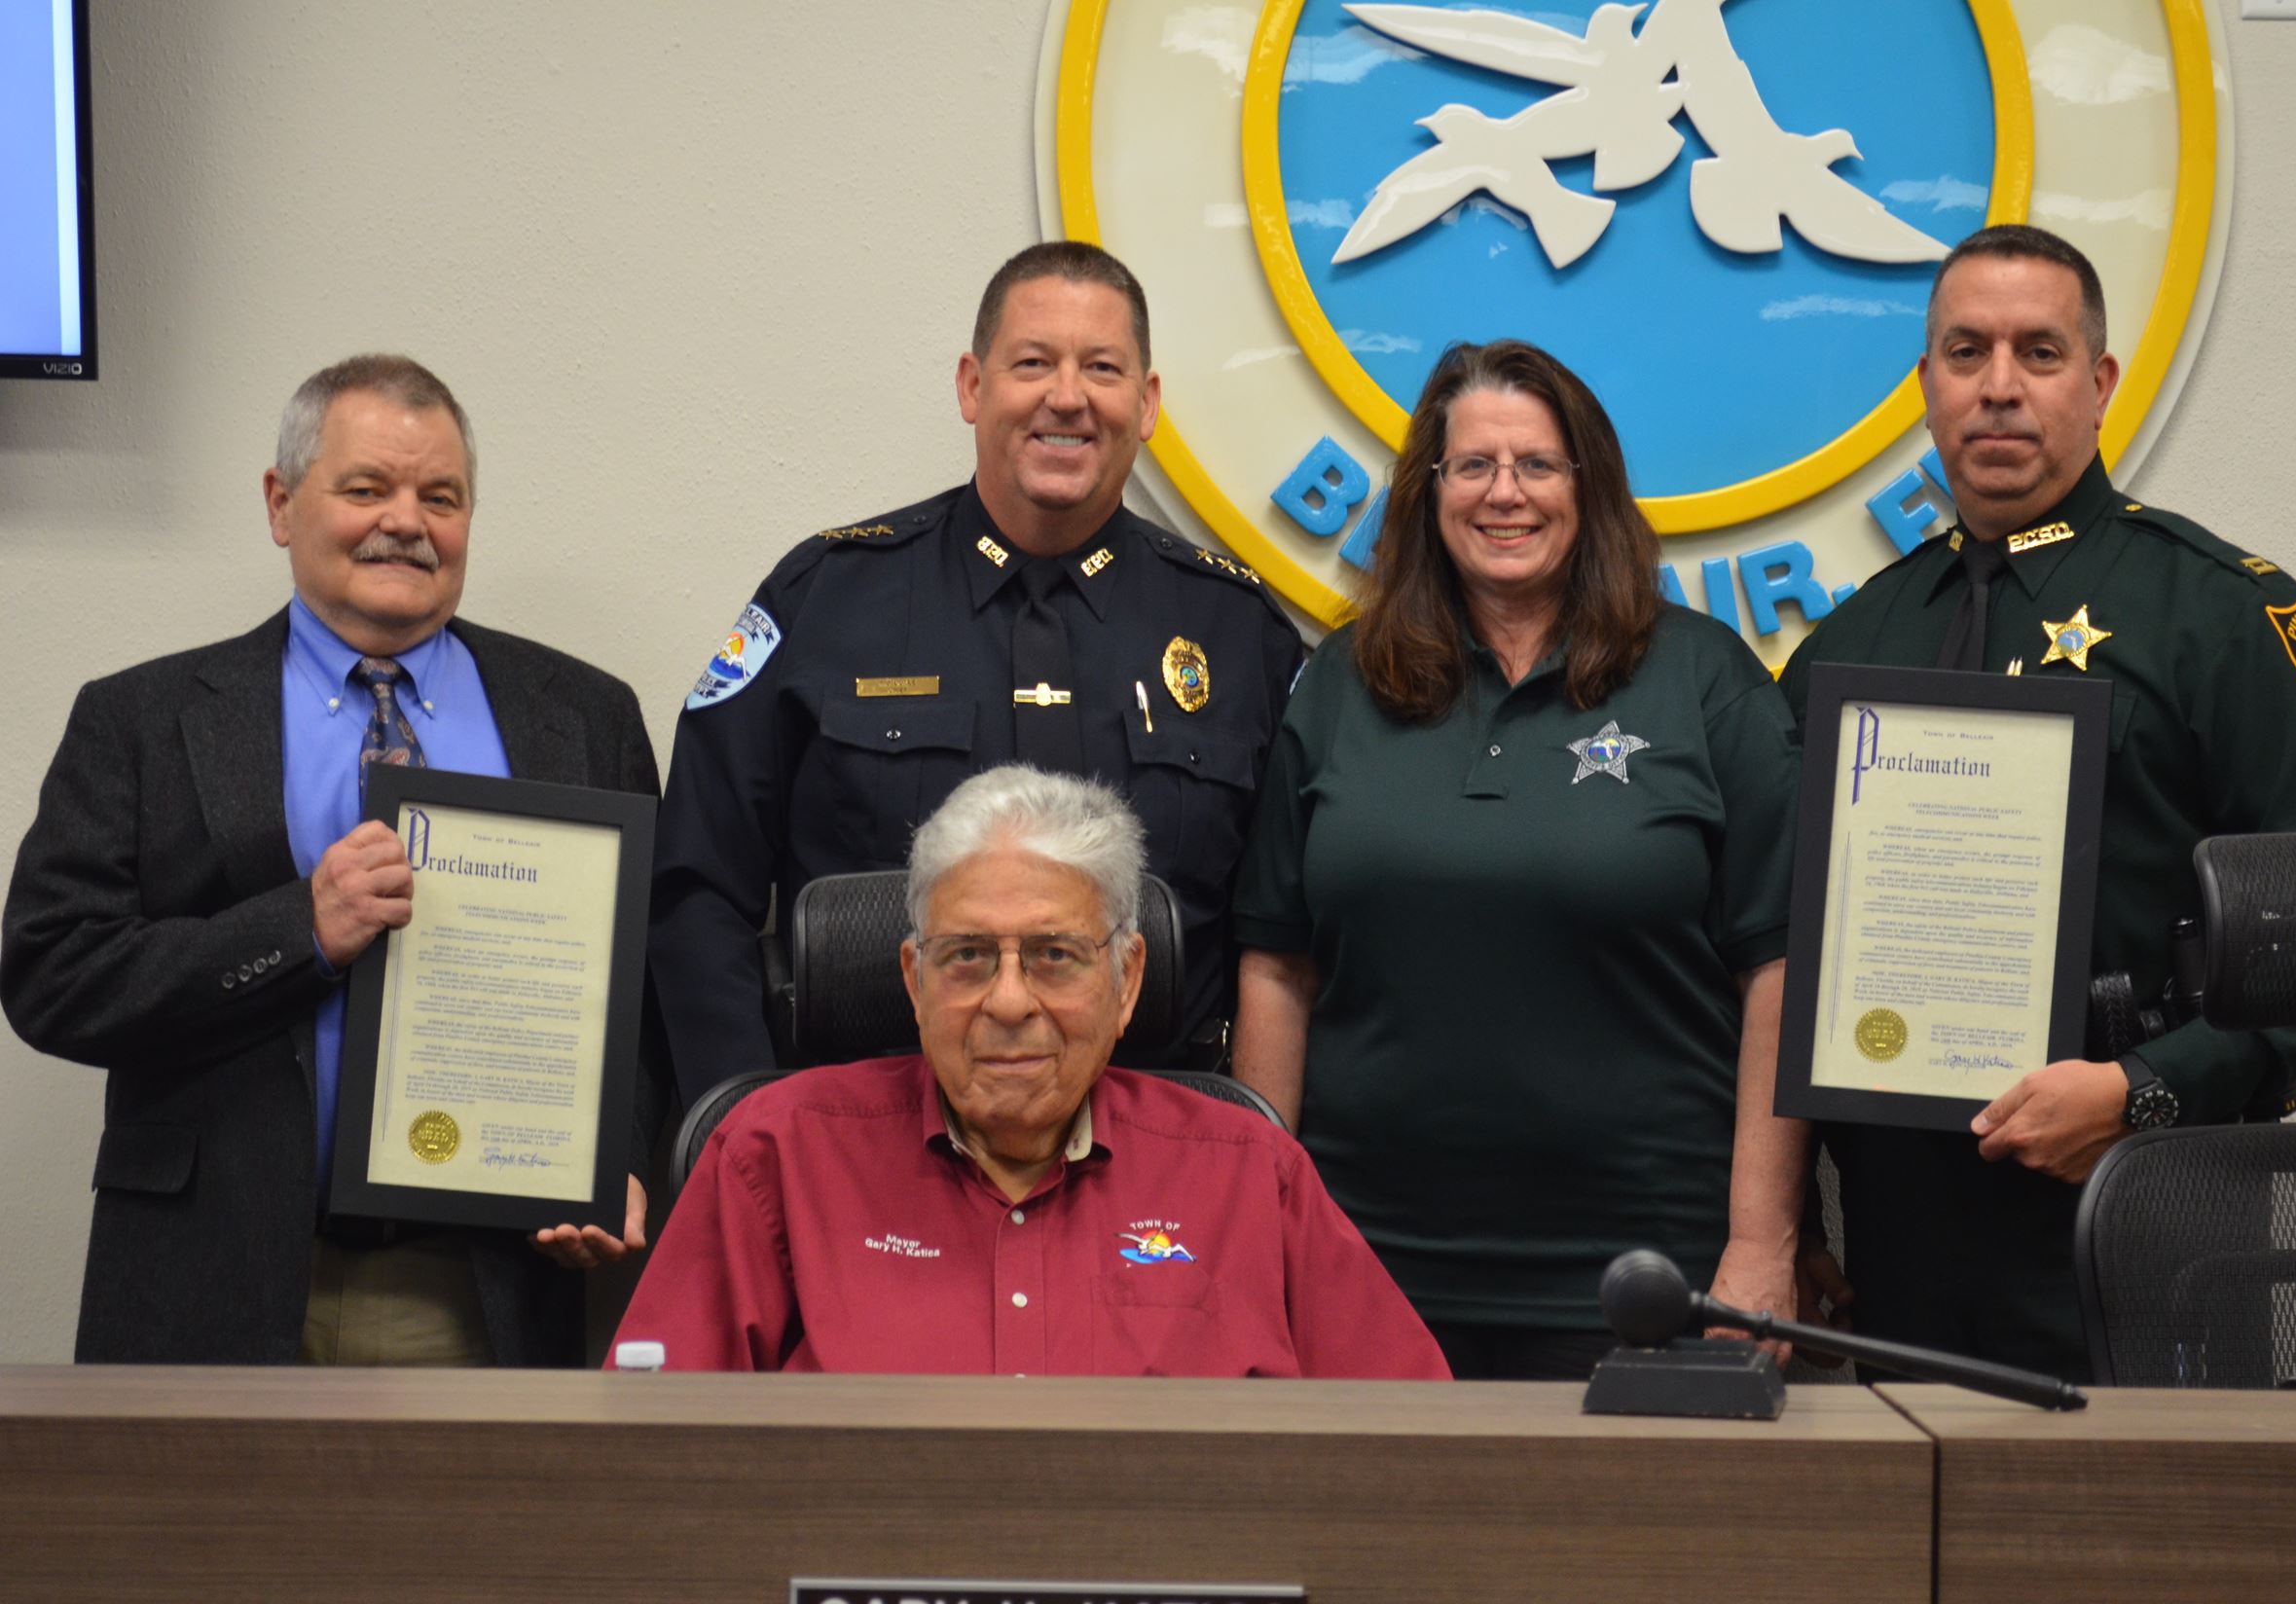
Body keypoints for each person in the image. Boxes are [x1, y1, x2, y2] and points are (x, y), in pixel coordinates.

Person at [1778, 225, 2296, 1381]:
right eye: (1964, 352)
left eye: (2039, 352)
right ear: (1925, 387)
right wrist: (1792, 1221)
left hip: (2152, 1204)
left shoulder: (2215, 613)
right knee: (1908, 1550)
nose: (1999, 387)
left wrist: (2147, 1091)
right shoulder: (1853, 640)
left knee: (2143, 1551)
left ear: (2100, 381)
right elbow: (1778, 942)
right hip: (1901, 1230)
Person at [1, 354, 661, 1367]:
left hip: (478, 1286)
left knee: (469, 1534)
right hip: (208, 1274)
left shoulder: (582, 715)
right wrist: (297, 932)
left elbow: (644, 987)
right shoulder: (140, 719)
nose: (406, 520)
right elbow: (51, 977)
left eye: (440, 497)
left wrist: (610, 1160)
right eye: (365, 489)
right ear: (281, 502)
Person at [1230, 340, 1807, 1381]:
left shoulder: (1702, 679)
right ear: (1430, 491)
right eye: (1473, 467)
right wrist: (1263, 1223)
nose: (1505, 494)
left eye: (1538, 465)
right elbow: (1275, 965)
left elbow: (1780, 970)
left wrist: (1761, 1245)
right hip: (1362, 1259)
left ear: (1588, 488)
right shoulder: (1338, 684)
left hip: (1649, 1272)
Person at [650, 241, 1305, 1109]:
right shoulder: (829, 599)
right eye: (1033, 363)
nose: (1066, 397)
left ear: (1146, 404)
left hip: (1150, 1156)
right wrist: (742, 1127)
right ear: (972, 385)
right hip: (866, 1135)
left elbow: (1286, 939)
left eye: (1101, 368)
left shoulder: (1237, 631)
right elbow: (696, 888)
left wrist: (1250, 1159)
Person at [610, 765, 1446, 1378]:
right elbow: (649, 1461)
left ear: (1127, 983)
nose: (1009, 1002)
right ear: (913, 980)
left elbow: (1410, 1447)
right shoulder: (774, 1154)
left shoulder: (1251, 1173)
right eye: (968, 956)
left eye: (1055, 956)